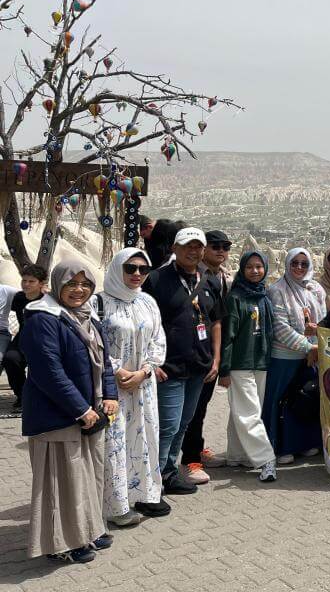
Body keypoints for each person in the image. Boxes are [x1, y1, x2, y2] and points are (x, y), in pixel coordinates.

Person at [20, 261, 118, 563]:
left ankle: (88, 530)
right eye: (72, 283)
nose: (79, 290)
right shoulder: (42, 318)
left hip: (91, 412)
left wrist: (110, 394)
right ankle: (60, 544)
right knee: (60, 482)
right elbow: (48, 370)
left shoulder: (86, 317)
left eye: (85, 284)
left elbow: (104, 359)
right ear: (57, 284)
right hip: (58, 415)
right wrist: (80, 408)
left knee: (87, 477)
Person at [143, 227, 223, 496]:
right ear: (174, 249)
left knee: (184, 422)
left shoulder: (208, 280)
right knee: (168, 424)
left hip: (199, 367)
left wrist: (216, 358)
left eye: (198, 246)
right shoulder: (156, 280)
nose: (194, 251)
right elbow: (147, 325)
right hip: (170, 367)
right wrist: (151, 362)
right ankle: (156, 475)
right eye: (187, 246)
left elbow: (215, 321)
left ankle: (168, 471)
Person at [98, 249, 167, 527]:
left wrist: (144, 371)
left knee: (143, 441)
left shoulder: (148, 302)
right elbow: (93, 342)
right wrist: (117, 370)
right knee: (114, 444)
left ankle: (143, 495)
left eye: (143, 269)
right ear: (117, 269)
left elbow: (158, 341)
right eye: (130, 268)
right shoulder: (98, 303)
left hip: (143, 388)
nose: (137, 274)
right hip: (112, 388)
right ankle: (115, 506)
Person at [219, 251, 278, 483]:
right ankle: (266, 460)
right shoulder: (236, 297)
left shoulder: (263, 297)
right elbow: (228, 336)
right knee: (249, 413)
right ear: (242, 270)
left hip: (261, 362)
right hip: (240, 364)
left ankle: (238, 455)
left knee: (246, 411)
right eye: (250, 267)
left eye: (259, 267)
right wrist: (224, 369)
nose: (255, 271)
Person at [180, 228, 233, 484]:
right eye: (215, 246)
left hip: (208, 357)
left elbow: (217, 321)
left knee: (199, 409)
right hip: (187, 358)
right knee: (189, 411)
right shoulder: (190, 276)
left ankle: (195, 451)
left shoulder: (217, 278)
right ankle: (189, 459)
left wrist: (217, 359)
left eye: (225, 246)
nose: (220, 250)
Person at [266, 247, 326, 464]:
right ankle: (280, 446)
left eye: (304, 263)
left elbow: (324, 321)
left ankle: (304, 443)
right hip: (285, 357)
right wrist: (307, 347)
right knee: (280, 401)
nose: (299, 267)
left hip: (311, 355)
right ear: (287, 264)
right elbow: (280, 328)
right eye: (294, 263)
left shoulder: (315, 289)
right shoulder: (277, 290)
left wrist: (316, 340)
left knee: (306, 398)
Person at [2, 264, 48, 412]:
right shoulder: (19, 298)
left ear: (41, 284)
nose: (26, 284)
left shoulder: (49, 300)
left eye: (31, 281)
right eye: (24, 281)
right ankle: (22, 396)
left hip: (45, 339)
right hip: (23, 337)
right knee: (10, 359)